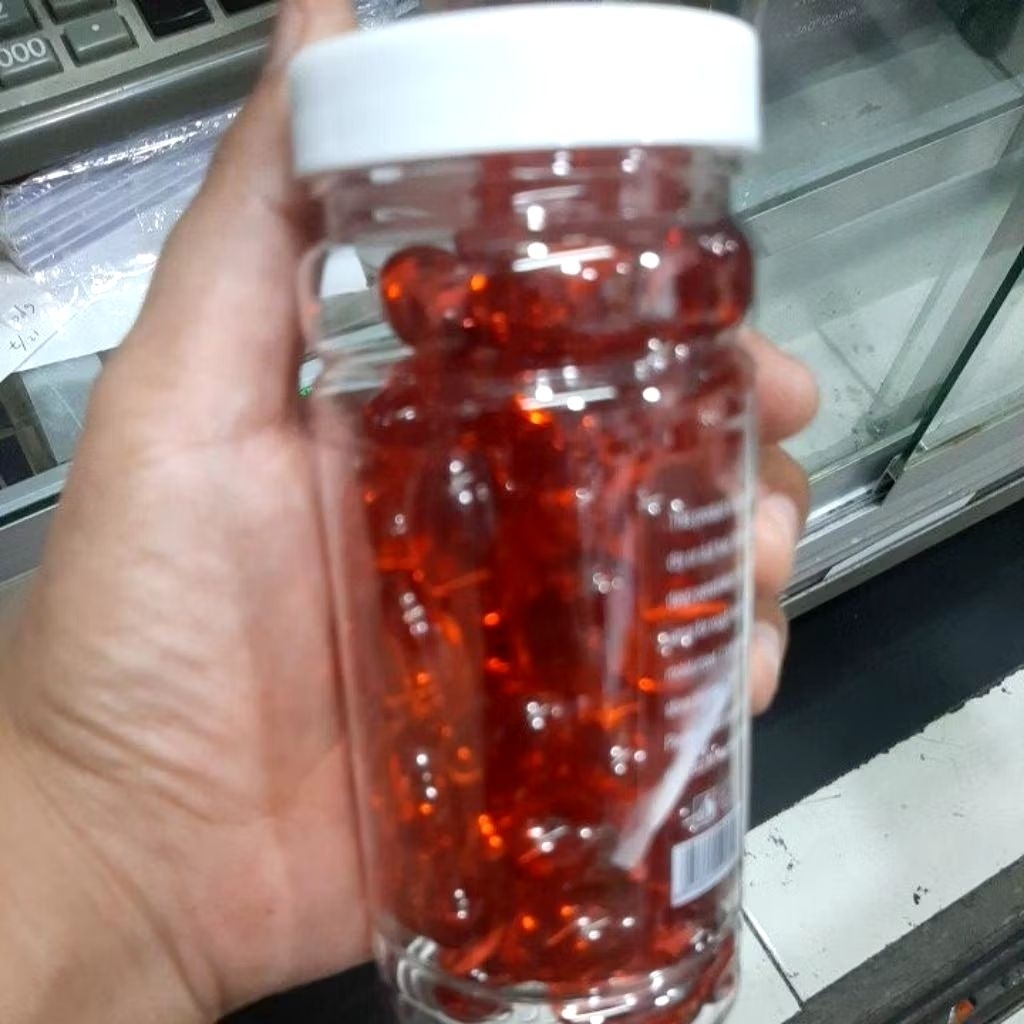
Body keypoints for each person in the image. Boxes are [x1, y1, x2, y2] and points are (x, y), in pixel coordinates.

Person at [0, 1, 818, 1020]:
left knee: (667, 654)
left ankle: (656, 929)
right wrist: (82, 817)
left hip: (621, 943)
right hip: (443, 933)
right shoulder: (417, 397)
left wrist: (77, 838)